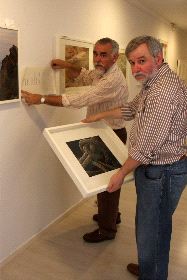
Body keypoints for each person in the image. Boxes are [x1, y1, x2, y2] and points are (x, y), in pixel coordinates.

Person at [82, 35, 187, 279]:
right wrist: (99, 116)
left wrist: (120, 174)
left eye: (142, 61)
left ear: (158, 58)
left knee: (152, 229)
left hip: (163, 171)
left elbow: (145, 148)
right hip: (162, 169)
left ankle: (152, 273)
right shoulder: (155, 82)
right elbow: (131, 108)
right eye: (131, 62)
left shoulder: (161, 93)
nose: (135, 68)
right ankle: (151, 267)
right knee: (152, 226)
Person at [21, 37, 129, 243]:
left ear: (115, 57)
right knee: (103, 181)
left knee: (109, 183)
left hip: (112, 134)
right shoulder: (102, 71)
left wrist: (41, 98)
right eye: (96, 53)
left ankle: (107, 230)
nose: (97, 58)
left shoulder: (113, 80)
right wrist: (67, 65)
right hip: (101, 132)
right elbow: (88, 76)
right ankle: (112, 216)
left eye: (103, 55)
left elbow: (79, 99)